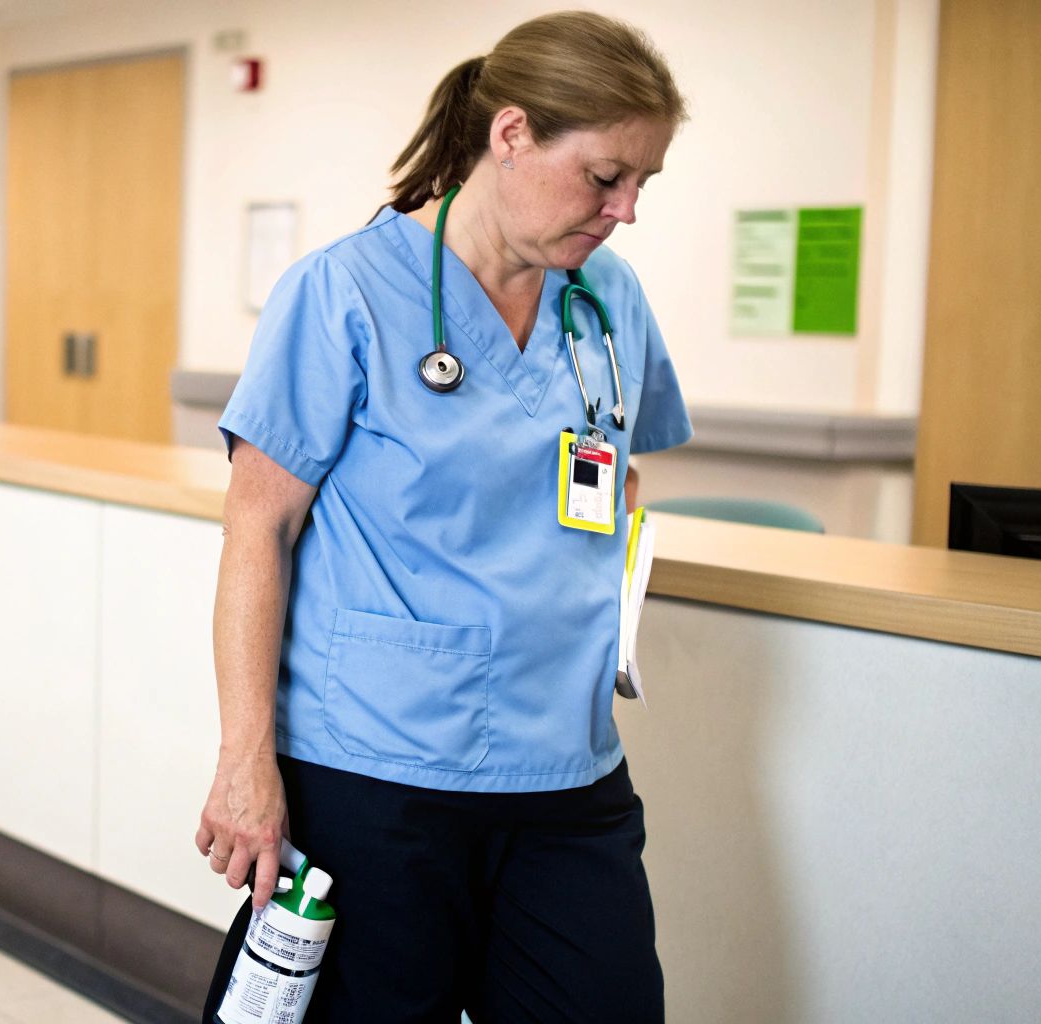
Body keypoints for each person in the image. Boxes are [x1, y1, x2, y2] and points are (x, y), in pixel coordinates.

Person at [195, 12, 693, 1022]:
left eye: (642, 182)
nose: (625, 209)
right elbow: (256, 529)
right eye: (605, 176)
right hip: (373, 773)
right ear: (509, 134)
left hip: (564, 766)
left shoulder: (610, 301)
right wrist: (245, 759)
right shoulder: (341, 294)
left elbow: (619, 479)